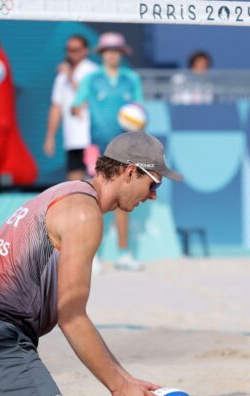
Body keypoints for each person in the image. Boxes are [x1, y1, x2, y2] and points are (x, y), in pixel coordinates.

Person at [0, 131, 183, 396]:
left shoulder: (67, 192)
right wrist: (120, 388)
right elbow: (72, 317)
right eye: (153, 183)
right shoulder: (83, 213)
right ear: (130, 172)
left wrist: (126, 378)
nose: (153, 194)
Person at [72, 32, 145, 271]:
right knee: (97, 201)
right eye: (108, 50)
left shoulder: (131, 78)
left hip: (125, 147)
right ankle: (93, 257)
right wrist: (76, 109)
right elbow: (76, 104)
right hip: (97, 148)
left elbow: (139, 110)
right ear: (102, 54)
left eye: (116, 50)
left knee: (124, 200)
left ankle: (124, 254)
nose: (112, 54)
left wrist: (137, 119)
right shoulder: (91, 79)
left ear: (122, 53)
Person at [43, 34, 98, 181]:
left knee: (97, 182)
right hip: (72, 138)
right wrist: (50, 137)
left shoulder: (92, 71)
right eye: (68, 49)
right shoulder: (62, 76)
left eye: (75, 49)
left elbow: (89, 98)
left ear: (85, 50)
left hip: (91, 137)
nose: (71, 53)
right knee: (74, 183)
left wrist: (70, 77)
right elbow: (56, 106)